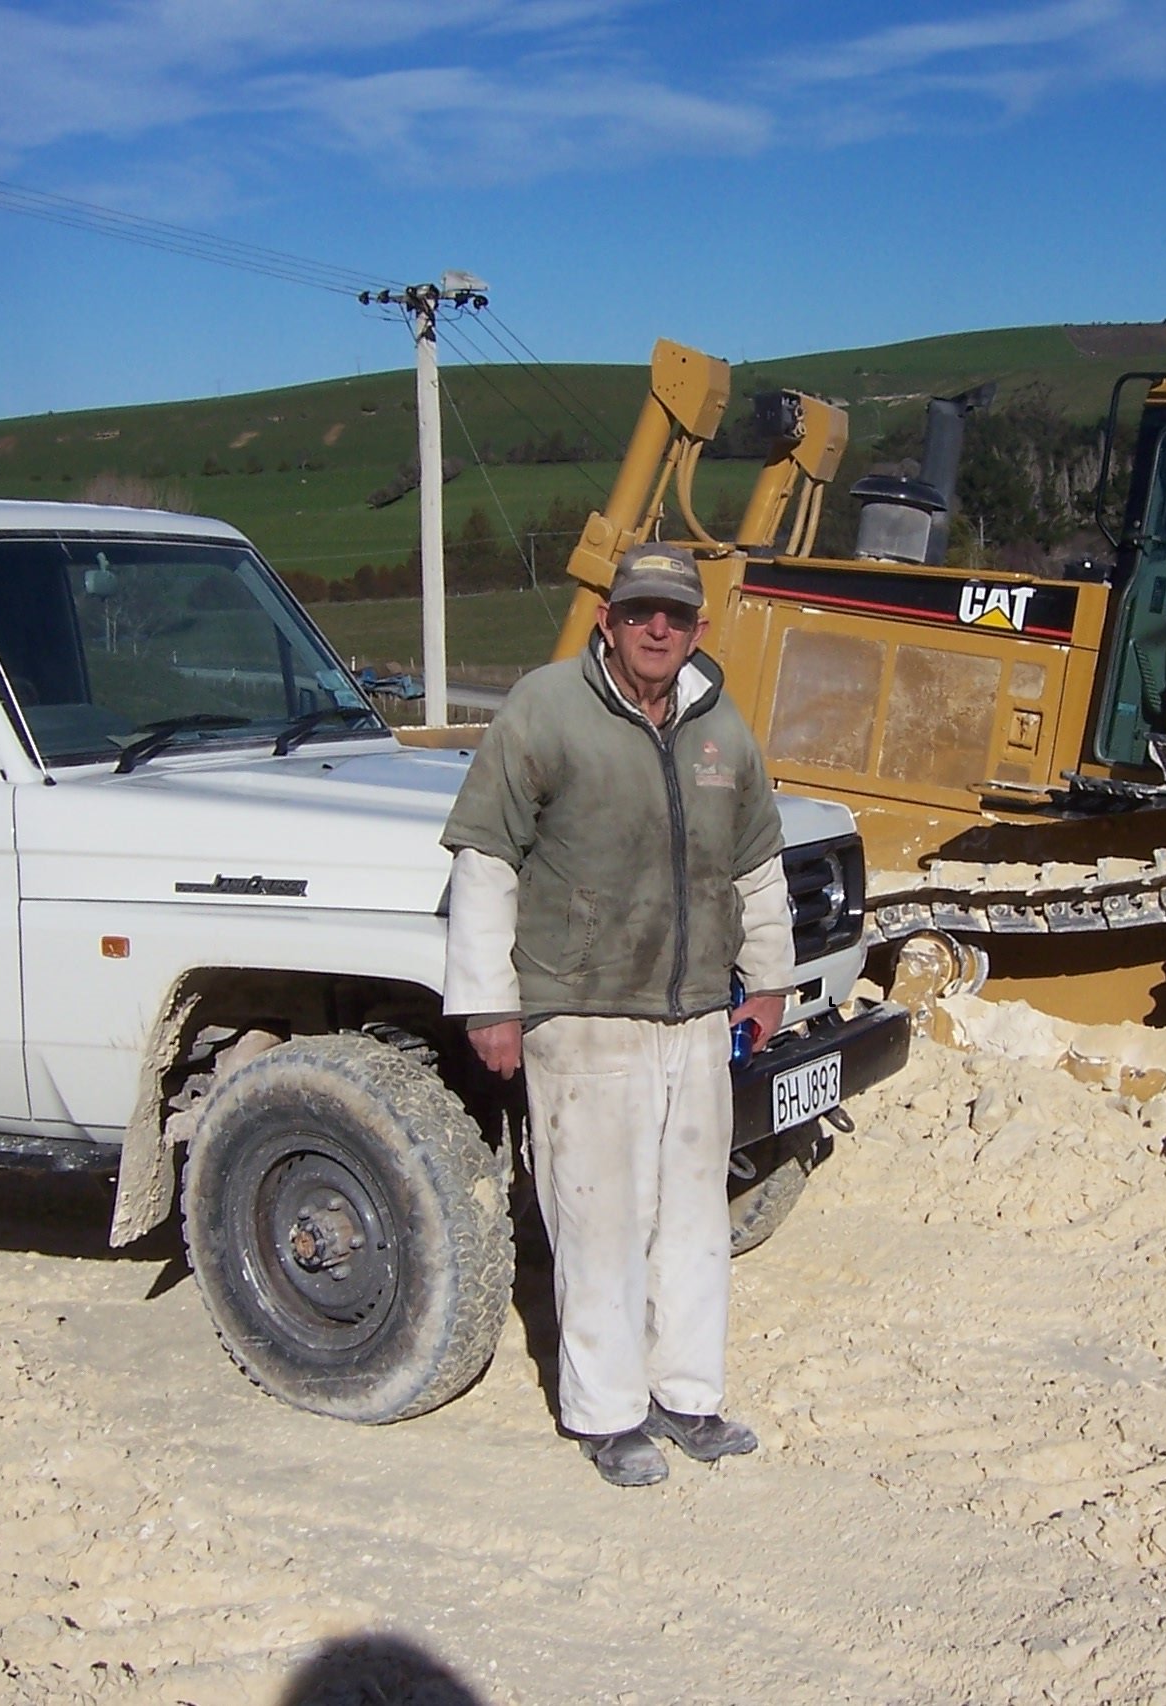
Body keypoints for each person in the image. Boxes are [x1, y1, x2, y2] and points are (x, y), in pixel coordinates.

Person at [441, 541, 795, 1487]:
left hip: (690, 1015)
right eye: (639, 611)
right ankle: (606, 1414)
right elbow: (484, 862)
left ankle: (689, 1396)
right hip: (582, 1009)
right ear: (608, 617)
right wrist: (489, 1004)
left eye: (674, 616)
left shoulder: (722, 724)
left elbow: (757, 865)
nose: (656, 629)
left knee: (691, 1217)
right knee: (597, 1217)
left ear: (697, 629)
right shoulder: (545, 709)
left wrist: (767, 980)